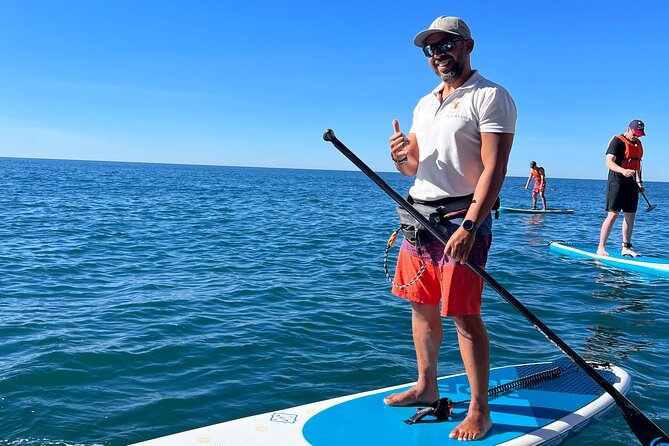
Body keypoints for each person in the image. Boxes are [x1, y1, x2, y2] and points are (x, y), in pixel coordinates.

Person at [386, 16, 516, 441]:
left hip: (461, 221)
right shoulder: (424, 103)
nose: (439, 53)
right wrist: (399, 156)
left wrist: (472, 226)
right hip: (418, 219)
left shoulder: (491, 96)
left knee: (462, 314)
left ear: (468, 45)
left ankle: (481, 409)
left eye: (448, 44)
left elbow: (495, 169)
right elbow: (412, 169)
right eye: (431, 48)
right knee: (420, 307)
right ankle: (427, 386)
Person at [597, 119, 646, 257]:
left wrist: (639, 182)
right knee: (613, 214)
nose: (636, 137)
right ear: (628, 129)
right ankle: (601, 248)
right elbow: (608, 162)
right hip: (617, 181)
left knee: (630, 215)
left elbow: (637, 164)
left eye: (639, 134)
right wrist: (623, 170)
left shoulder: (638, 144)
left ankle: (626, 248)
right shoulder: (617, 142)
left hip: (631, 183)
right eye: (635, 133)